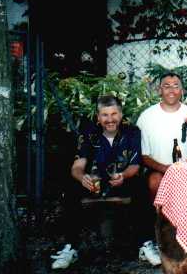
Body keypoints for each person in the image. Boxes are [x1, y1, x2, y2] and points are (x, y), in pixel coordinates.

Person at [50, 95, 161, 269]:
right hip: (95, 182)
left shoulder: (132, 132)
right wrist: (82, 177)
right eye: (104, 115)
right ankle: (70, 247)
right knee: (71, 188)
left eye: (114, 114)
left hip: (122, 180)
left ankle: (145, 244)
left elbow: (135, 166)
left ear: (121, 114)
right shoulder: (88, 133)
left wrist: (123, 176)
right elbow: (77, 167)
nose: (110, 119)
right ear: (98, 116)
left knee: (141, 186)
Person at [136, 72, 187, 201]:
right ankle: (160, 218)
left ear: (182, 91)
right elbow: (143, 155)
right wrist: (166, 169)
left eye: (176, 86)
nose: (171, 90)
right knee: (155, 181)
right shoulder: (146, 116)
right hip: (158, 169)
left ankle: (186, 219)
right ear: (159, 90)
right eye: (166, 86)